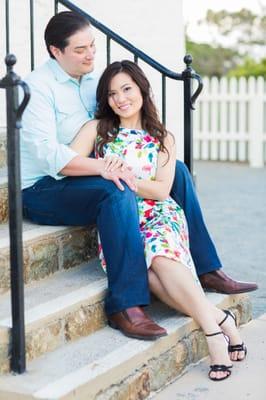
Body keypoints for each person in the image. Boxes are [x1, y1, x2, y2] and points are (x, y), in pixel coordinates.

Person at [20, 11, 257, 340]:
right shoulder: (36, 88)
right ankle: (125, 304)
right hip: (45, 187)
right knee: (115, 191)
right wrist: (104, 167)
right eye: (80, 49)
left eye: (92, 46)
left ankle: (206, 268)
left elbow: (114, 122)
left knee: (179, 172)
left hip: (87, 173)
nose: (90, 54)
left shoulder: (92, 80)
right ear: (55, 51)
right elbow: (51, 158)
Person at [69, 59, 248, 381]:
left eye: (127, 89)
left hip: (159, 214)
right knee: (149, 275)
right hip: (121, 220)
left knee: (161, 258)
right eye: (112, 94)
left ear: (142, 89)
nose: (120, 99)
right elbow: (68, 164)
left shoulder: (161, 136)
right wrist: (100, 169)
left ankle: (212, 335)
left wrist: (120, 174)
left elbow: (162, 190)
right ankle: (221, 319)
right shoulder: (96, 130)